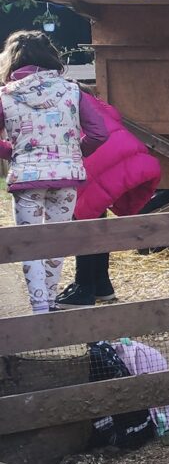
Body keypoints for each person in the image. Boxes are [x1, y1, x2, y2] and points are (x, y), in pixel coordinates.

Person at [0, 30, 107, 313]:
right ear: (50, 55)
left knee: (29, 243)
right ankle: (49, 301)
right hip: (66, 177)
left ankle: (39, 308)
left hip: (26, 179)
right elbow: (99, 133)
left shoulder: (5, 95)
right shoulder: (72, 90)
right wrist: (72, 152)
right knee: (56, 242)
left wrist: (13, 152)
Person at [55, 92, 161, 308]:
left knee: (84, 221)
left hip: (95, 159)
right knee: (96, 218)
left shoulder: (44, 95)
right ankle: (101, 284)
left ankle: (84, 287)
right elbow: (112, 117)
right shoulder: (82, 95)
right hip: (120, 154)